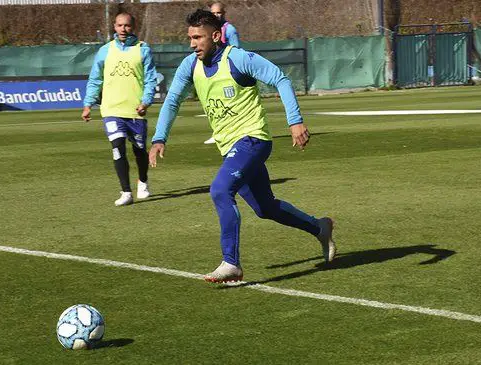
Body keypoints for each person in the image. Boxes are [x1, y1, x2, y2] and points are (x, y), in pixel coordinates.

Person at [149, 9, 336, 283]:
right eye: (190, 37)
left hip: (253, 139)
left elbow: (280, 79)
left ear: (215, 36)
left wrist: (295, 121)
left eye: (198, 37)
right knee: (265, 208)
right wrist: (159, 137)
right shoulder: (190, 65)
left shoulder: (238, 58)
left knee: (220, 190)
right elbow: (172, 100)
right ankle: (319, 227)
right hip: (230, 147)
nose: (192, 43)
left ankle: (231, 263)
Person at [82, 12, 157, 206]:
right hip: (111, 110)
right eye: (119, 25)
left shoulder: (143, 50)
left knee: (139, 150)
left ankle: (143, 180)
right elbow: (95, 78)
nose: (123, 29)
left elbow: (150, 80)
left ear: (134, 27)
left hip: (135, 111)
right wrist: (88, 104)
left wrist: (146, 102)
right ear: (114, 27)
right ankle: (125, 192)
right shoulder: (105, 51)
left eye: (127, 26)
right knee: (117, 148)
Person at [203, 1, 240, 145]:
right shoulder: (208, 29)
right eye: (214, 13)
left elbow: (236, 50)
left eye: (219, 13)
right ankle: (219, 131)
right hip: (213, 71)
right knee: (214, 103)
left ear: (224, 13)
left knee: (228, 102)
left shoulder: (229, 29)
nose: (216, 15)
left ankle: (232, 132)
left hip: (226, 72)